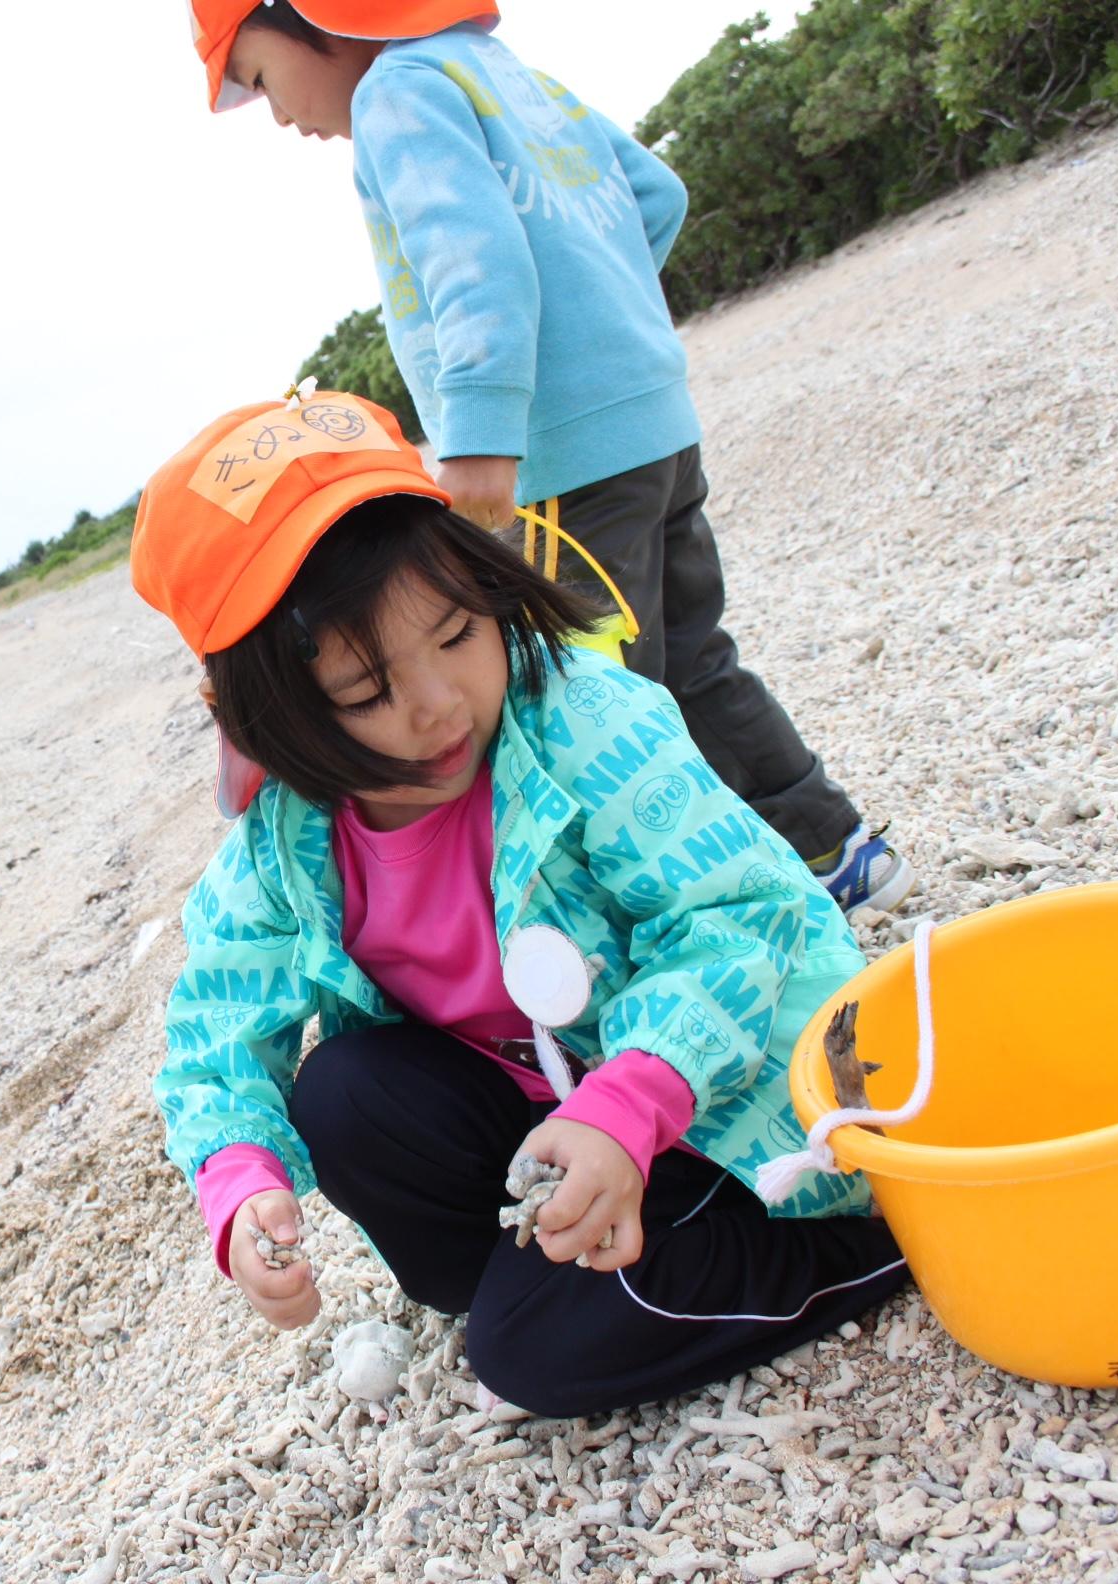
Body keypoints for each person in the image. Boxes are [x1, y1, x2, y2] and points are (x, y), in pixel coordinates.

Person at [130, 390, 908, 1416]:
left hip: (728, 1102)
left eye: (457, 634)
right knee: (342, 1093)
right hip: (553, 1108)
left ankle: (865, 1246)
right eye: (366, 695)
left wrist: (630, 1104)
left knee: (531, 1356)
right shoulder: (287, 847)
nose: (438, 706)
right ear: (262, 723)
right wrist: (238, 1184)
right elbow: (219, 1032)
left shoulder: (584, 722)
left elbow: (733, 919)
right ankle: (525, 1269)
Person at [184, 0, 913, 912]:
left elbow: (476, 266)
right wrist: (603, 318)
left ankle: (643, 907)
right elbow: (658, 197)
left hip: (558, 457)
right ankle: (832, 848)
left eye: (258, 77)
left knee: (582, 698)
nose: (280, 115)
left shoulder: (399, 96)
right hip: (653, 427)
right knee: (691, 653)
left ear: (311, 19)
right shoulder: (509, 77)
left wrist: (485, 435)